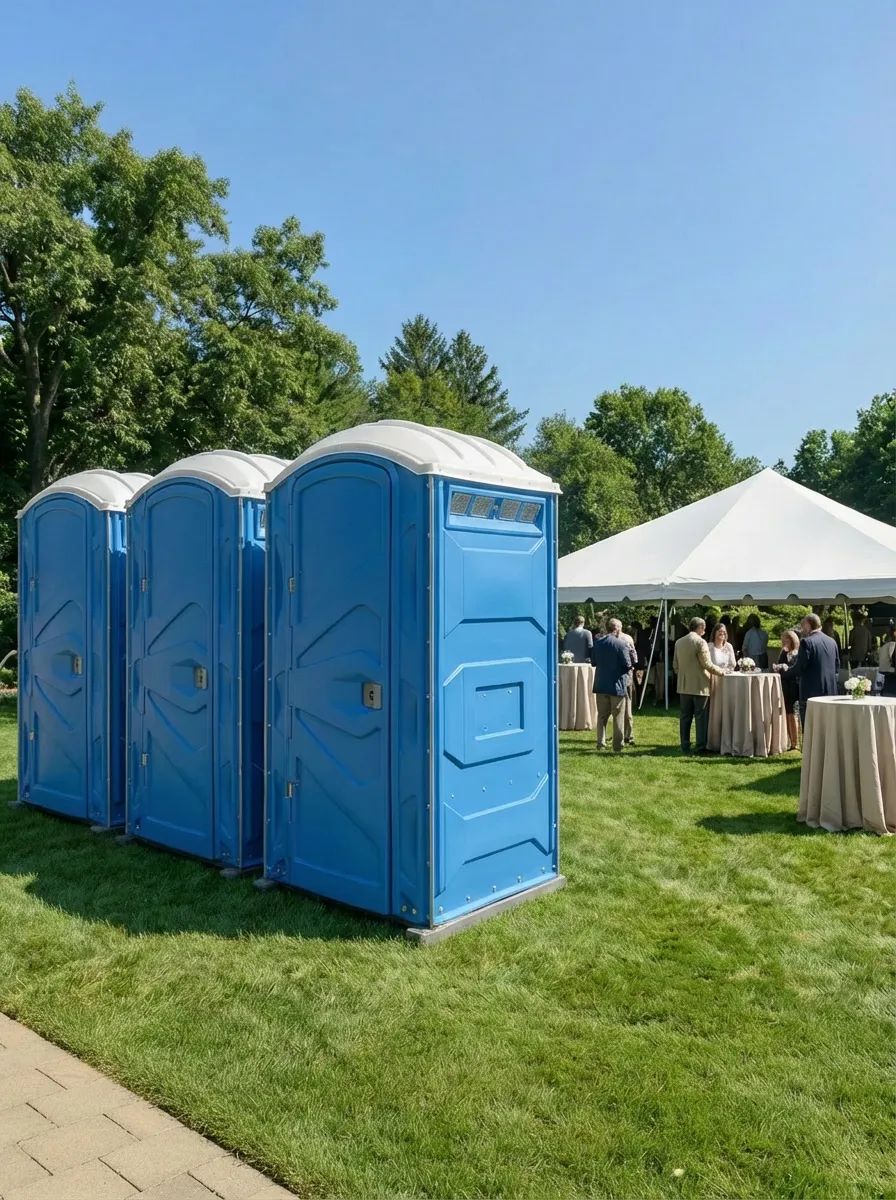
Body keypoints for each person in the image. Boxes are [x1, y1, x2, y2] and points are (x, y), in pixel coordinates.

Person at [673, 617, 726, 754]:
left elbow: (675, 666)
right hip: (700, 685)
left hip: (683, 685)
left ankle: (684, 744)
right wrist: (721, 672)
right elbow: (707, 664)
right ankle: (700, 746)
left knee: (685, 716)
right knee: (700, 717)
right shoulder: (700, 642)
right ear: (701, 628)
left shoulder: (679, 642)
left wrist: (684, 675)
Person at [777, 612, 840, 720]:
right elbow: (837, 667)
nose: (802, 628)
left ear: (808, 624)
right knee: (828, 727)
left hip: (811, 693)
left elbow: (800, 668)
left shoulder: (807, 642)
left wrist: (785, 670)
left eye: (803, 625)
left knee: (810, 728)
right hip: (830, 692)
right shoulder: (832, 642)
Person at [590, 618, 637, 752]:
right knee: (618, 716)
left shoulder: (598, 643)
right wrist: (631, 652)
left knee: (601, 716)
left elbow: (593, 662)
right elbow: (628, 664)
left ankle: (601, 742)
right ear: (617, 629)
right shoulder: (621, 644)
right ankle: (618, 745)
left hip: (601, 684)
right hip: (617, 684)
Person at [776, 629, 801, 750]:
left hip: (794, 686)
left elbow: (794, 671)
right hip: (784, 685)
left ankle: (795, 742)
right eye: (784, 639)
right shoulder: (783, 653)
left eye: (787, 639)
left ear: (793, 640)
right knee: (787, 713)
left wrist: (785, 670)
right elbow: (779, 665)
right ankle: (789, 739)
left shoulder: (796, 654)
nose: (785, 641)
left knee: (793, 713)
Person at [877, 621, 896, 697]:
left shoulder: (885, 646)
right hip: (891, 675)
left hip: (885, 674)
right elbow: (891, 658)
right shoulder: (892, 644)